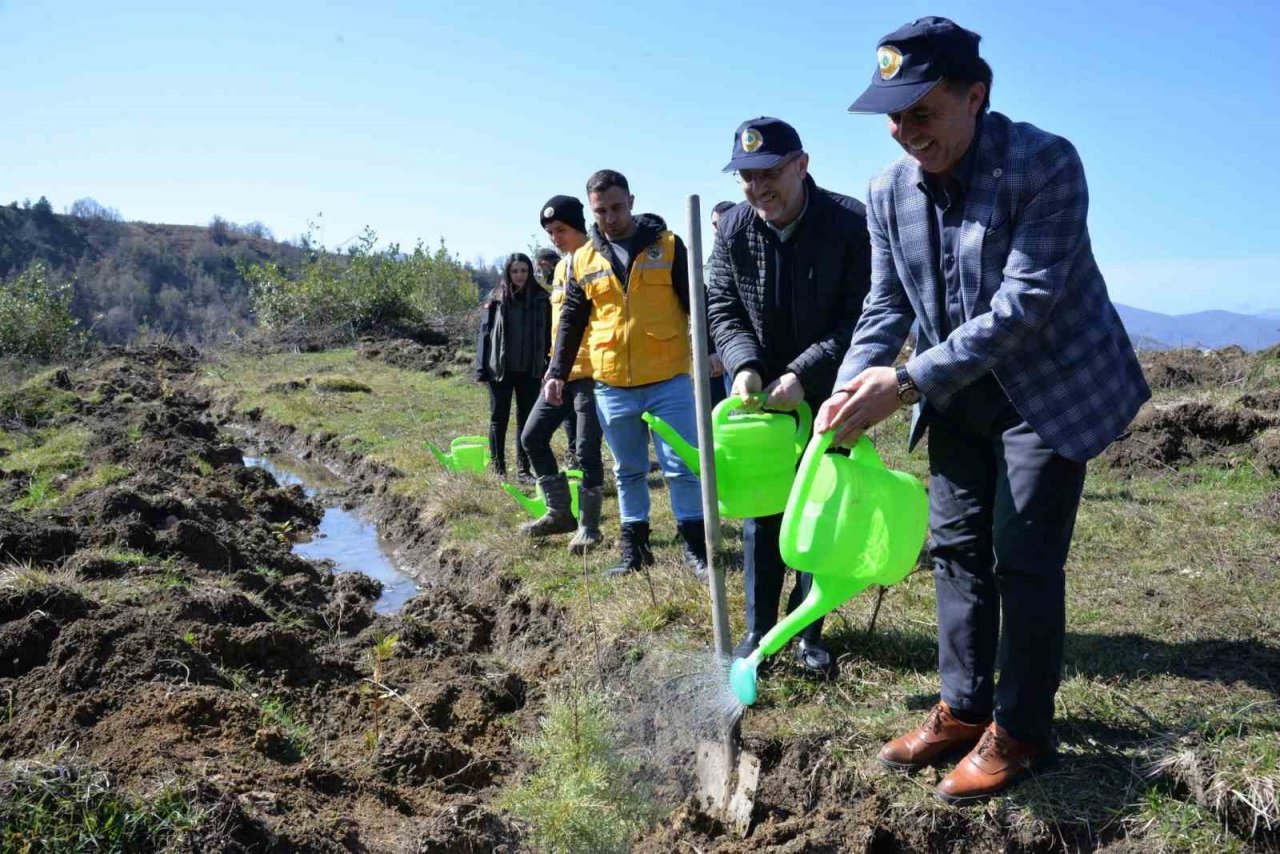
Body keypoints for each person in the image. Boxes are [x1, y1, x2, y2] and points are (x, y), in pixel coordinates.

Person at [817, 17, 1150, 802]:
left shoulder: (1045, 164)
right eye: (893, 117)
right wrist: (852, 378)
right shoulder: (886, 189)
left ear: (977, 95)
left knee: (1024, 555)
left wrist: (900, 385)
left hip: (1049, 387)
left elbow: (1023, 304)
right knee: (958, 549)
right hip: (958, 393)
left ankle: (1023, 729)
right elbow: (885, 301)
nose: (905, 134)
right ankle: (964, 709)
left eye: (922, 113)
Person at [707, 117, 871, 679]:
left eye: (769, 173)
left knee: (819, 508)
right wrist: (743, 364)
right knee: (762, 508)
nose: (758, 189)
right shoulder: (732, 229)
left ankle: (807, 630)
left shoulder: (850, 224)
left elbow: (862, 317)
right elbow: (722, 305)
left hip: (827, 393)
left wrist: (805, 374)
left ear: (801, 164)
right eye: (746, 177)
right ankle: (759, 628)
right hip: (761, 398)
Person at [544, 169, 707, 579]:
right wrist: (557, 372)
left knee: (681, 466)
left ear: (631, 201)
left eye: (617, 207)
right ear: (592, 211)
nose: (610, 217)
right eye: (601, 211)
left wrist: (713, 349)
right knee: (628, 470)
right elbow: (571, 321)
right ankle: (635, 550)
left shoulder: (668, 247)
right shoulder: (583, 260)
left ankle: (696, 548)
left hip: (668, 379)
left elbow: (695, 302)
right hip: (612, 384)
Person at [518, 196, 606, 552]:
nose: (555, 238)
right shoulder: (559, 269)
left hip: (592, 372)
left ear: (579, 226)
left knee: (586, 451)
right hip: (560, 373)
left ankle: (589, 526)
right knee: (532, 437)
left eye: (561, 230)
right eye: (551, 232)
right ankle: (559, 512)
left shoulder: (599, 259)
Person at [475, 252, 551, 484]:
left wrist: (550, 365)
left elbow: (550, 334)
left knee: (526, 420)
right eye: (515, 271)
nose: (519, 275)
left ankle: (523, 471)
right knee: (499, 419)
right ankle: (499, 470)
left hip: (531, 370)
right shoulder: (496, 299)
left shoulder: (542, 298)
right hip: (500, 370)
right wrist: (480, 368)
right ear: (508, 273)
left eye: (524, 271)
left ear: (531, 272)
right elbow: (484, 334)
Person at [536, 244, 579, 466]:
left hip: (572, 360)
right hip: (559, 358)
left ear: (544, 264)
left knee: (570, 412)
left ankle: (575, 455)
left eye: (539, 267)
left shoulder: (564, 277)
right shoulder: (554, 282)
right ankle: (574, 454)